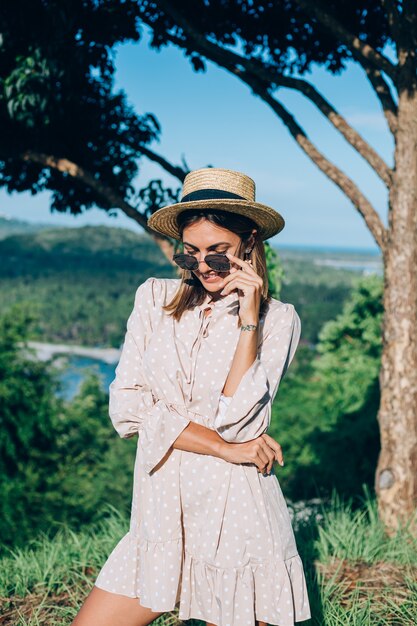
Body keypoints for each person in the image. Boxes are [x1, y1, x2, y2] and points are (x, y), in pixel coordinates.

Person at [72, 168, 312, 626]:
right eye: (192, 255)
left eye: (218, 255)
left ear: (249, 241)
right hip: (160, 509)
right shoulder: (154, 299)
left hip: (236, 514)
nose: (204, 267)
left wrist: (248, 319)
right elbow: (125, 408)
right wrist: (221, 447)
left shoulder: (279, 321)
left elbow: (238, 422)